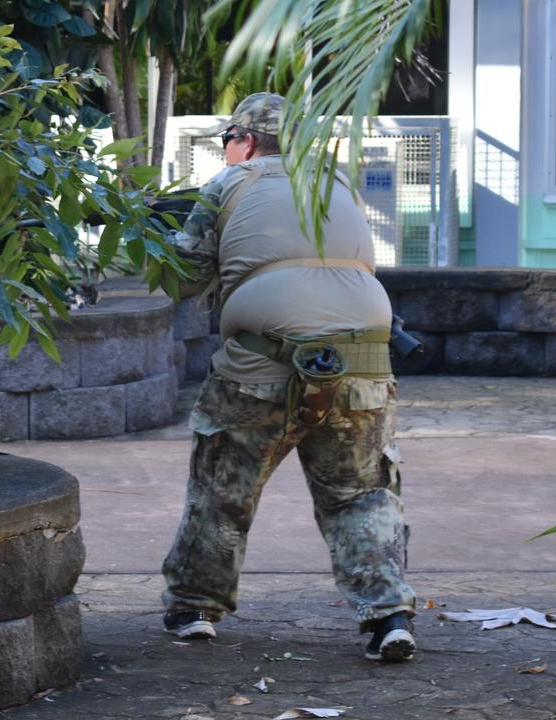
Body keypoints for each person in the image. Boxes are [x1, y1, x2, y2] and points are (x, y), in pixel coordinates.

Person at [160, 92, 417, 662]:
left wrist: (153, 239)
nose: (227, 152)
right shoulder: (339, 183)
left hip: (263, 361)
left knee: (223, 488)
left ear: (246, 142)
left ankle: (195, 609)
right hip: (362, 361)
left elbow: (181, 279)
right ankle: (388, 618)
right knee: (361, 493)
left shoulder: (228, 184)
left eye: (228, 141)